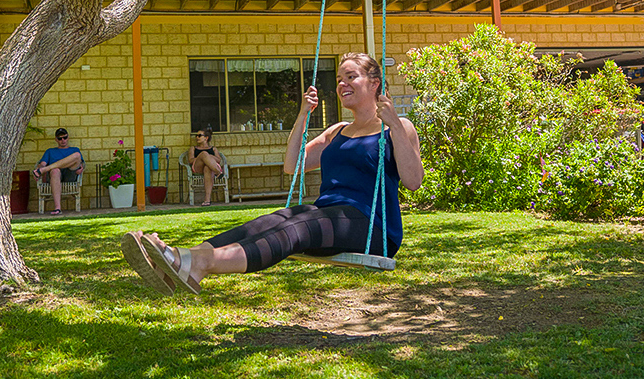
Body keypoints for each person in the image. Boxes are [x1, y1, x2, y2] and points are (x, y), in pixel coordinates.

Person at [122, 52, 423, 295]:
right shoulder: (336, 132)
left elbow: (413, 181)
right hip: (328, 215)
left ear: (374, 83)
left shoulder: (397, 127)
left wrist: (395, 124)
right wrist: (303, 114)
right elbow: (292, 165)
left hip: (371, 226)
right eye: (340, 78)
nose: (342, 84)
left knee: (297, 227)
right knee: (271, 220)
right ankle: (183, 256)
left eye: (351, 76)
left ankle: (199, 263)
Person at [35, 128, 85, 215]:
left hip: (70, 173)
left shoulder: (74, 150)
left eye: (65, 137)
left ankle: (46, 169)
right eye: (60, 138)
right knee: (55, 170)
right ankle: (57, 208)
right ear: (56, 139)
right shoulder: (50, 151)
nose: (63, 140)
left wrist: (82, 167)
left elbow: (81, 163)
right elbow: (42, 164)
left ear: (68, 137)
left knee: (77, 155)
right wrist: (40, 168)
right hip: (54, 176)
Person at [188, 127, 224, 206]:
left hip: (210, 168)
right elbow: (190, 160)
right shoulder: (193, 148)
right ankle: (218, 172)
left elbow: (219, 160)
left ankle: (207, 200)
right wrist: (203, 157)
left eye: (199, 135)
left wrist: (208, 158)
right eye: (196, 136)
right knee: (204, 154)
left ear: (206, 138)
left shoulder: (213, 149)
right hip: (198, 166)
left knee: (207, 168)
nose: (197, 137)